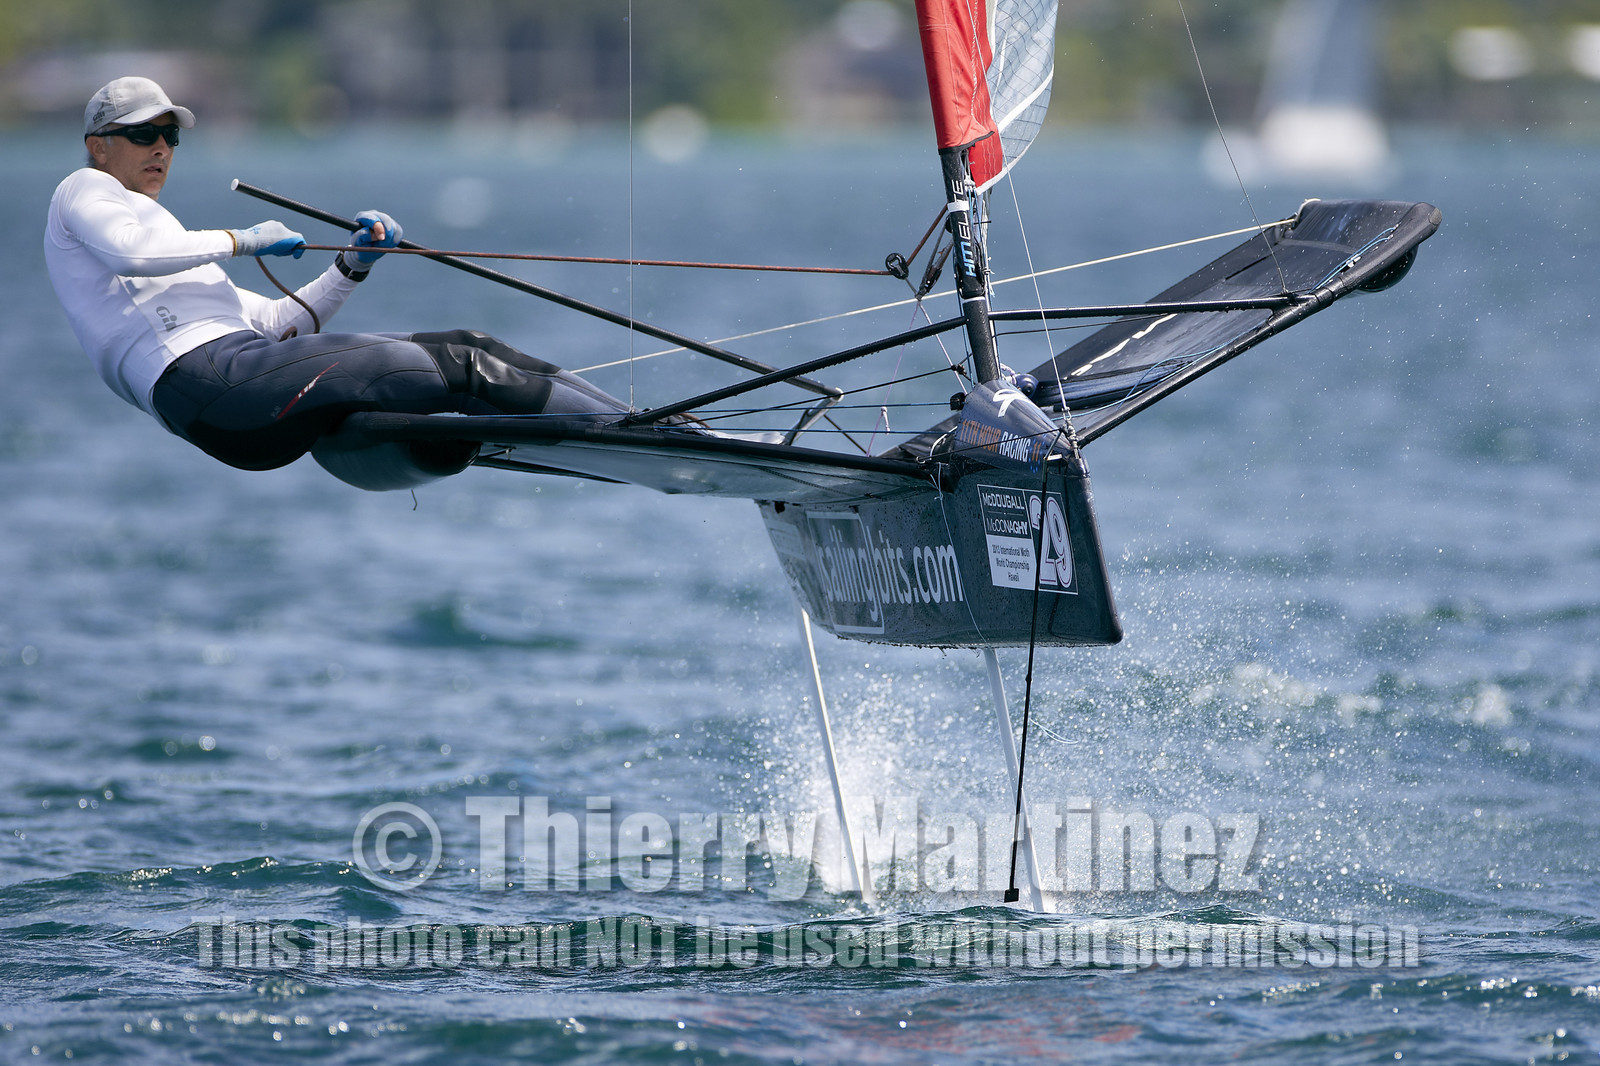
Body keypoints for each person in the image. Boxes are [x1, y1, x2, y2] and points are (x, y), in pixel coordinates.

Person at [45, 75, 632, 481]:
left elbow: (280, 327)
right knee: (466, 370)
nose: (163, 150)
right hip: (208, 389)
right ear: (99, 147)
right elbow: (132, 253)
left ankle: (656, 427)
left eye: (171, 136)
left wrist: (352, 266)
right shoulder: (84, 191)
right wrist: (244, 239)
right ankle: (632, 440)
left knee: (477, 347)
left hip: (241, 377)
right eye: (145, 134)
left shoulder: (170, 249)